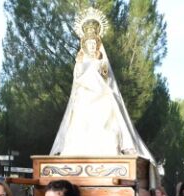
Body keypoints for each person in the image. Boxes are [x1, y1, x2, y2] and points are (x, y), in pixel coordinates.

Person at [49, 9, 153, 162]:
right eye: (89, 43)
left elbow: (107, 82)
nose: (91, 46)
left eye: (94, 43)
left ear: (97, 45)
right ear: (84, 45)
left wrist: (100, 75)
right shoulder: (79, 63)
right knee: (79, 125)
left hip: (101, 98)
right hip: (84, 98)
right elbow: (78, 80)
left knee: (107, 124)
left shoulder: (102, 63)